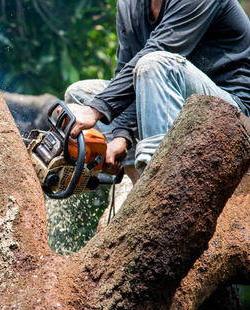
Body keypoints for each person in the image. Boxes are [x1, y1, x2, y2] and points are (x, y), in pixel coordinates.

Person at [65, 0, 250, 183]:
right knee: (80, 94)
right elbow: (128, 73)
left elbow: (158, 53)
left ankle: (160, 180)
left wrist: (94, 111)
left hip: (232, 109)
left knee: (153, 63)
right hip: (167, 92)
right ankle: (139, 188)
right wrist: (121, 135)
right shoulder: (128, 5)